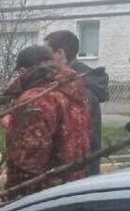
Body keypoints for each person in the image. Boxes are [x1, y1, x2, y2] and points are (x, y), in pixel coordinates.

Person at [3, 45, 91, 197]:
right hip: (73, 186)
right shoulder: (74, 92)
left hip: (41, 194)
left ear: (23, 71)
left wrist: (12, 198)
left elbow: (28, 161)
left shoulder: (35, 100)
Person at [45, 30, 109, 176]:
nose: (44, 61)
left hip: (78, 173)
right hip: (77, 169)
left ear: (60, 53)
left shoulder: (79, 88)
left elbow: (76, 136)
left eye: (47, 54)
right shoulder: (76, 82)